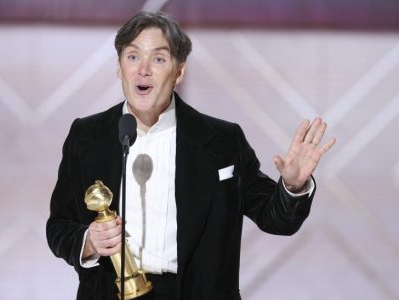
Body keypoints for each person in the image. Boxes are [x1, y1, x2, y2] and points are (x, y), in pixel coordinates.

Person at [46, 11, 336, 300]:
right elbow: (59, 227)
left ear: (179, 72)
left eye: (158, 59)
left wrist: (293, 187)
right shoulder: (86, 136)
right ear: (119, 68)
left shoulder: (222, 141)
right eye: (132, 57)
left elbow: (276, 220)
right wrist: (88, 243)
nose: (142, 70)